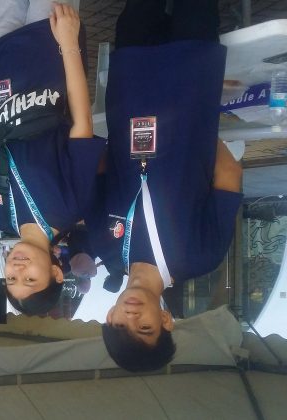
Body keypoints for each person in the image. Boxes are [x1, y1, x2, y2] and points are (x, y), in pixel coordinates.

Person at [87, 0, 243, 372]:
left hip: (131, 88)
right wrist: (195, 127)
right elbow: (228, 177)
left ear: (109, 316)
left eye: (121, 326)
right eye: (145, 328)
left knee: (140, 11)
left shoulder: (104, 246)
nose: (132, 316)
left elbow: (100, 171)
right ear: (166, 321)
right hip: (191, 86)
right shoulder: (201, 257)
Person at [0, 1, 104, 316]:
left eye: (11, 278)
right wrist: (69, 43)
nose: (18, 269)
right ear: (56, 273)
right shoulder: (72, 208)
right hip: (49, 59)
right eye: (30, 279)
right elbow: (82, 124)